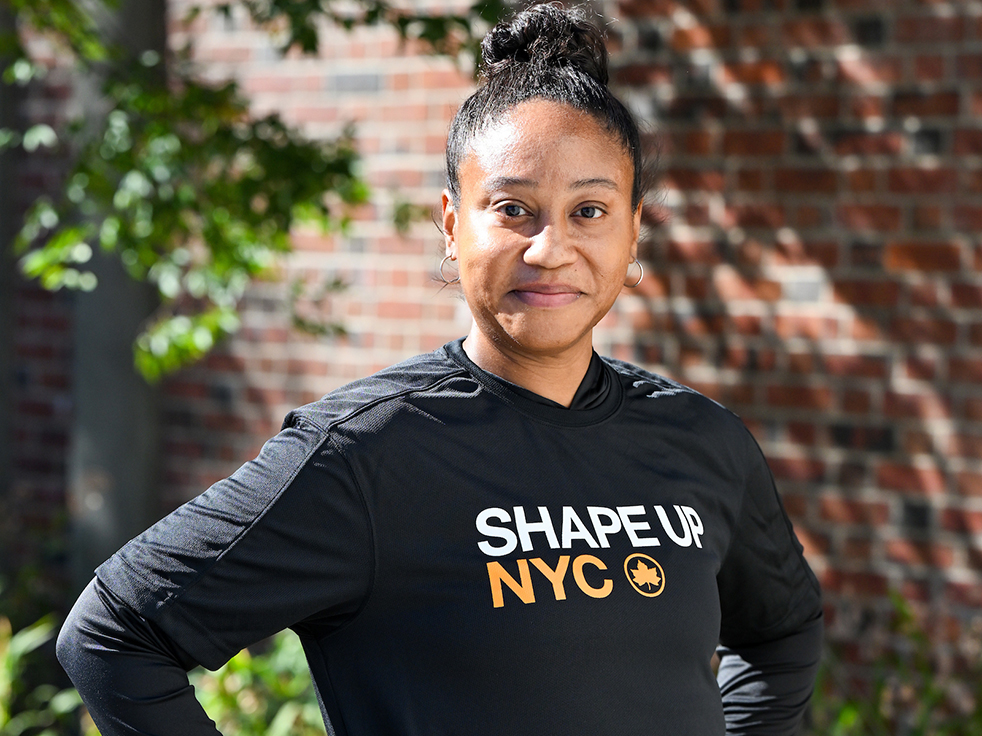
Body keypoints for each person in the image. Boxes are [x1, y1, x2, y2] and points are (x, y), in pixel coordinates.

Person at [57, 4, 823, 735]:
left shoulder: (703, 441)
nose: (549, 248)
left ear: (633, 234)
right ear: (453, 227)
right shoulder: (368, 454)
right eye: (512, 209)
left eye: (589, 211)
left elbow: (782, 632)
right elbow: (113, 635)